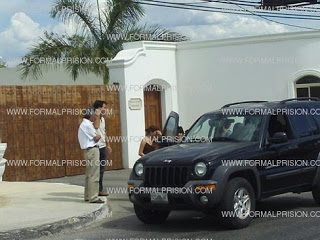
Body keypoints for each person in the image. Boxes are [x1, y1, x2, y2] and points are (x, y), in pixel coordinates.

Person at [78, 107, 104, 203]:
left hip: (89, 150)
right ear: (90, 115)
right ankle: (93, 197)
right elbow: (96, 137)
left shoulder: (84, 124)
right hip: (92, 150)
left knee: (89, 174)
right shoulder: (87, 125)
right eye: (94, 115)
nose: (95, 117)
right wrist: (99, 135)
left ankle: (88, 195)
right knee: (94, 174)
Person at [93, 100, 112, 197]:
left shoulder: (103, 119)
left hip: (103, 146)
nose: (105, 109)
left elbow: (104, 132)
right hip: (97, 147)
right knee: (96, 170)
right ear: (99, 108)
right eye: (104, 107)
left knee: (102, 169)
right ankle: (97, 190)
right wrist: (97, 115)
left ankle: (99, 189)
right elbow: (96, 127)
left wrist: (108, 145)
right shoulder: (94, 117)